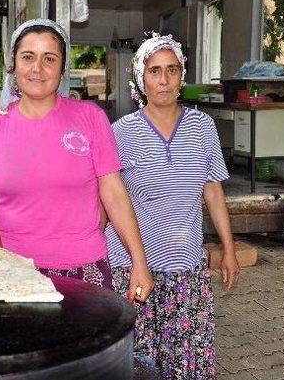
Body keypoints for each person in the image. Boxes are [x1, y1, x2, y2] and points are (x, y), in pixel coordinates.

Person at [0, 19, 153, 301]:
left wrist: (139, 261)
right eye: (28, 57)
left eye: (49, 59)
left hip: (84, 269)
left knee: (87, 346)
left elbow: (114, 193)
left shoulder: (90, 118)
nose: (37, 68)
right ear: (13, 64)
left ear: (63, 68)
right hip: (11, 272)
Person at [105, 32, 240, 379]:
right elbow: (108, 199)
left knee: (187, 362)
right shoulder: (120, 133)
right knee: (140, 362)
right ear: (140, 77)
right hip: (132, 268)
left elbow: (212, 191)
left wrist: (229, 249)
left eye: (172, 69)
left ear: (182, 76)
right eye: (154, 70)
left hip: (186, 269)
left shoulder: (203, 126)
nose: (163, 80)